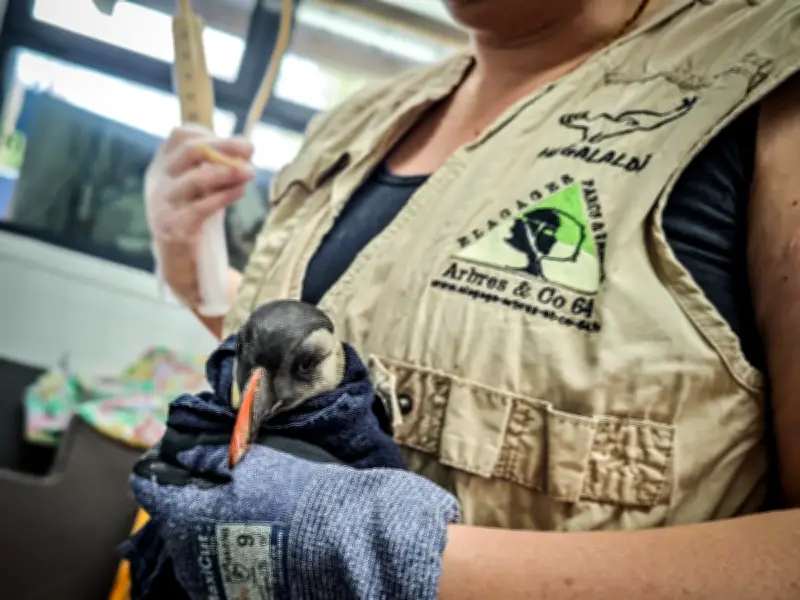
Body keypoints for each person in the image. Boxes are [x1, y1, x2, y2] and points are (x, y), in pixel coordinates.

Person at [141, 0, 800, 597]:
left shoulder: (766, 81)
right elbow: (321, 352)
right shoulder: (358, 122)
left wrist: (393, 558)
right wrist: (185, 252)